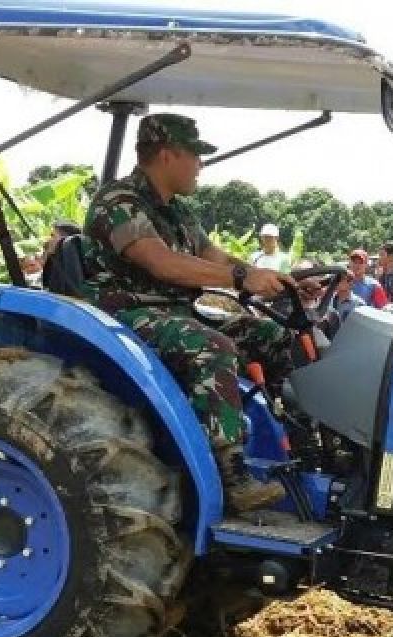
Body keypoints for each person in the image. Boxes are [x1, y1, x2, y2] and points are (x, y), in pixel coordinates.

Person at [83, 113, 294, 512]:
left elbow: (217, 257)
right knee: (212, 347)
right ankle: (229, 474)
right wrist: (239, 277)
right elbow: (162, 263)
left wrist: (277, 279)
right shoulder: (119, 203)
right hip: (123, 316)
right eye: (195, 155)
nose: (201, 165)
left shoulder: (177, 213)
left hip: (172, 313)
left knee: (270, 334)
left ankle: (290, 438)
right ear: (167, 155)